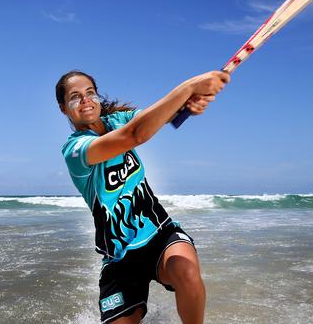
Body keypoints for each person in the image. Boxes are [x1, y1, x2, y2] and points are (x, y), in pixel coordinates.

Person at [56, 69, 229, 323]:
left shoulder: (119, 119)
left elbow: (154, 119)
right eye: (75, 97)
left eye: (90, 93)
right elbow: (135, 135)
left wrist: (187, 105)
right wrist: (190, 87)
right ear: (63, 108)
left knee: (187, 272)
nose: (85, 100)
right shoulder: (76, 150)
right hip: (120, 256)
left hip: (159, 233)